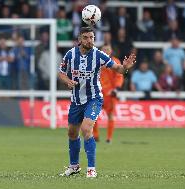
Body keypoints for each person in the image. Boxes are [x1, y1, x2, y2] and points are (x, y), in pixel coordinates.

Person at [58, 27, 136, 178]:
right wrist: (67, 81)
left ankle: (91, 169)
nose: (90, 40)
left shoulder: (98, 55)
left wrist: (125, 67)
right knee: (72, 133)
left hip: (94, 98)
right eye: (86, 37)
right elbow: (61, 73)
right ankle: (74, 166)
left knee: (87, 129)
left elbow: (118, 69)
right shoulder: (70, 54)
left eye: (92, 37)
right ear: (80, 39)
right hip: (76, 101)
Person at [92, 45, 124, 143]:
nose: (106, 51)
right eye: (104, 49)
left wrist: (116, 89)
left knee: (110, 115)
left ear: (111, 51)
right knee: (93, 115)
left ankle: (109, 138)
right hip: (97, 93)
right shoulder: (95, 61)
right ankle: (95, 136)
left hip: (109, 94)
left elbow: (119, 76)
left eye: (108, 49)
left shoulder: (115, 62)